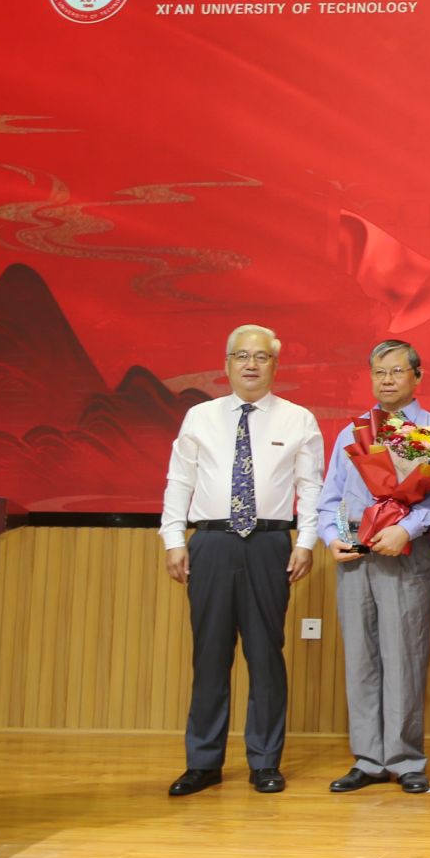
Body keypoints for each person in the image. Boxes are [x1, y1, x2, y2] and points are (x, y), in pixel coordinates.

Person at [159, 324, 323, 797]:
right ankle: (203, 762)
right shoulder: (200, 417)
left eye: (261, 357)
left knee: (266, 655)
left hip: (270, 544)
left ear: (275, 364)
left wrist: (305, 541)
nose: (251, 364)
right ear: (226, 364)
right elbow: (179, 481)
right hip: (211, 542)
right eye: (242, 356)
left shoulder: (298, 419)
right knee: (209, 655)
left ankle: (265, 761)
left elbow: (310, 487)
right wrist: (173, 539)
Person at [315, 339, 430, 795]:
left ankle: (405, 758)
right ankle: (368, 759)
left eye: (396, 371)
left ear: (417, 376)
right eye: (379, 372)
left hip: (404, 551)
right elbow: (330, 497)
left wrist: (406, 529)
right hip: (356, 549)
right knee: (360, 656)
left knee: (405, 655)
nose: (387, 380)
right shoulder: (351, 431)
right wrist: (332, 537)